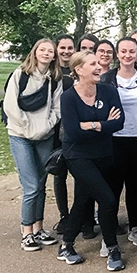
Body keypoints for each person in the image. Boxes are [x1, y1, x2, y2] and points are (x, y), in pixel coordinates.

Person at [57, 51, 125, 269]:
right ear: (78, 70)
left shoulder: (108, 91)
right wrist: (104, 124)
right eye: (93, 64)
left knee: (82, 200)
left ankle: (66, 244)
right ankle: (113, 249)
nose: (99, 67)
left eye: (99, 63)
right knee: (107, 200)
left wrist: (91, 125)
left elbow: (119, 122)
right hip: (78, 156)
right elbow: (73, 134)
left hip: (105, 154)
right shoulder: (68, 97)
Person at [3, 38, 63, 251]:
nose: (46, 53)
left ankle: (38, 228)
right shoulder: (20, 74)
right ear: (35, 52)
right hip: (20, 135)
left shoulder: (55, 78)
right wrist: (27, 127)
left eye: (50, 51)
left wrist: (47, 126)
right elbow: (11, 106)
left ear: (54, 56)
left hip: (44, 136)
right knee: (31, 186)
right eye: (42, 50)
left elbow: (57, 108)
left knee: (41, 183)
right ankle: (26, 231)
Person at [101, 37, 137, 250]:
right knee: (112, 189)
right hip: (114, 140)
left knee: (134, 187)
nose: (127, 55)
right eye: (123, 51)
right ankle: (109, 233)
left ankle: (134, 227)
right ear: (117, 54)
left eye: (131, 51)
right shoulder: (106, 79)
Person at [51, 34, 75, 234]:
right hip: (54, 130)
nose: (66, 51)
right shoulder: (52, 72)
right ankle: (64, 216)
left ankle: (82, 214)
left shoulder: (78, 70)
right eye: (63, 47)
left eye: (70, 47)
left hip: (75, 130)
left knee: (80, 174)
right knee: (59, 173)